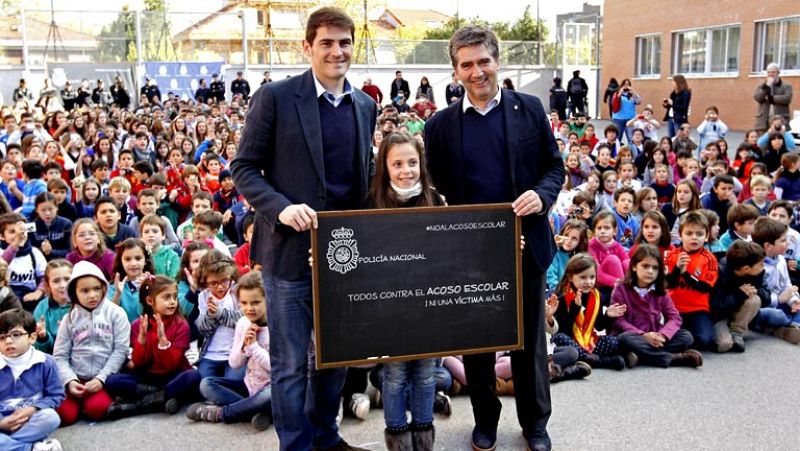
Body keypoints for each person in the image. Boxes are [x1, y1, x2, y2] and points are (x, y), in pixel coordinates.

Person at [231, 7, 378, 451]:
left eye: (345, 43)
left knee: (335, 357)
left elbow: (363, 180)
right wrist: (281, 208)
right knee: (291, 363)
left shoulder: (365, 105)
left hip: (343, 257)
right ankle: (295, 445)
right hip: (289, 253)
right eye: (327, 42)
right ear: (307, 47)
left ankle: (325, 437)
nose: (337, 51)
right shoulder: (276, 97)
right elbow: (244, 167)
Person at [423, 24, 564, 451]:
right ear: (455, 71)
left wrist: (541, 197)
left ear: (498, 61)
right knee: (477, 343)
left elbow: (554, 169)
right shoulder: (439, 126)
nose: (477, 71)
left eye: (483, 61)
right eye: (466, 64)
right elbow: (436, 190)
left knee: (528, 343)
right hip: (471, 254)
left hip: (525, 245)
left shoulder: (530, 109)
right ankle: (485, 420)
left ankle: (535, 423)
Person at [366, 132, 444, 450]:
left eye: (412, 162)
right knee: (395, 375)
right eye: (397, 164)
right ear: (384, 166)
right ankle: (397, 433)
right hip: (390, 308)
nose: (406, 170)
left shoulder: (435, 200)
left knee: (426, 373)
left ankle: (423, 431)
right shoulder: (371, 202)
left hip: (429, 305)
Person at [104, 275, 201, 419]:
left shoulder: (181, 325)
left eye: (175, 297)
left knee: (193, 376)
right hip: (148, 376)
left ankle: (134, 407)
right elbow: (137, 363)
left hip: (172, 374)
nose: (173, 302)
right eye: (167, 297)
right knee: (112, 381)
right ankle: (165, 398)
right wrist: (141, 342)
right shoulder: (138, 325)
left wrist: (163, 342)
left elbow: (171, 364)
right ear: (150, 301)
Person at [186, 271, 273, 430]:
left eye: (255, 302)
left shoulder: (276, 326)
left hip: (271, 388)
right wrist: (244, 347)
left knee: (269, 394)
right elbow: (234, 363)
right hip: (249, 386)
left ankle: (222, 413)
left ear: (268, 300)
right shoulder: (243, 323)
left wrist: (254, 348)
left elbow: (276, 369)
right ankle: (255, 411)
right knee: (207, 384)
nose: (249, 308)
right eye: (244, 303)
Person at [52, 260, 130, 426]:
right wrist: (70, 381)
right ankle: (77, 402)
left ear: (104, 288)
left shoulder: (116, 313)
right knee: (64, 415)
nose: (93, 295)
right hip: (76, 377)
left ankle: (93, 402)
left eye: (97, 288)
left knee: (98, 410)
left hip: (103, 378)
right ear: (74, 293)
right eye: (85, 291)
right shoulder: (69, 319)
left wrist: (101, 379)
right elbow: (60, 355)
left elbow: (120, 350)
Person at [610, 244, 702, 368]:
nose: (650, 271)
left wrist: (663, 335)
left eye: (655, 268)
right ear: (634, 266)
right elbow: (618, 321)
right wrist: (643, 336)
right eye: (645, 266)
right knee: (624, 338)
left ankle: (641, 356)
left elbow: (675, 317)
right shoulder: (621, 289)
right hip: (633, 336)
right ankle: (672, 358)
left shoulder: (660, 290)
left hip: (655, 336)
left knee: (686, 336)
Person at [0, 309, 65, 451]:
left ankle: (9, 446)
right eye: (2, 337)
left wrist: (32, 409)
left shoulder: (46, 362)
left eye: (16, 334)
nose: (8, 341)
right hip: (3, 422)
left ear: (32, 337)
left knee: (51, 417)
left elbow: (56, 396)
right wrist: (2, 423)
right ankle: (33, 448)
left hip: (32, 419)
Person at [551, 254, 627, 369]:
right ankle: (601, 361)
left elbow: (599, 327)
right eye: (583, 277)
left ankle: (587, 359)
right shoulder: (561, 296)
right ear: (570, 277)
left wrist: (608, 315)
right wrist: (575, 309)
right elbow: (561, 329)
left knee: (613, 341)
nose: (588, 282)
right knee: (560, 338)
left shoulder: (596, 296)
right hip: (569, 340)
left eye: (592, 277)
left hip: (588, 340)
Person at [665, 211, 719, 350]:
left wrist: (686, 274)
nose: (694, 237)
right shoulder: (672, 255)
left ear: (706, 236)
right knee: (666, 334)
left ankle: (685, 340)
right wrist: (677, 269)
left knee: (706, 340)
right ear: (680, 235)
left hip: (698, 309)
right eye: (689, 233)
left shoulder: (709, 259)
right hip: (674, 308)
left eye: (699, 234)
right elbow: (668, 284)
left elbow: (705, 287)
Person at [711, 241, 770, 353]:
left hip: (740, 314)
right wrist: (740, 294)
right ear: (746, 269)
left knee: (755, 300)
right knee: (724, 344)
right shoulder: (719, 272)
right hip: (718, 317)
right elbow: (716, 306)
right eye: (761, 264)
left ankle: (736, 332)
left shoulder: (757, 273)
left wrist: (756, 291)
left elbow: (767, 297)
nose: (763, 266)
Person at [32, 259, 73, 354]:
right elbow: (39, 349)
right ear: (47, 285)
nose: (63, 285)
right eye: (56, 281)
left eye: (67, 279)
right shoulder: (41, 308)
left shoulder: (82, 304)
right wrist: (43, 337)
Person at [754, 63, 793, 133]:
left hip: (780, 121)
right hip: (763, 122)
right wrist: (767, 86)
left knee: (779, 139)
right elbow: (758, 98)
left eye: (773, 72)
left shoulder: (786, 86)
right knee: (762, 139)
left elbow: (787, 98)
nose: (771, 74)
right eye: (769, 72)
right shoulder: (761, 86)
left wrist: (771, 99)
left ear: (778, 73)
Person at [611, 79, 640, 143]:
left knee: (631, 138)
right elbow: (613, 103)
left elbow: (639, 101)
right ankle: (616, 149)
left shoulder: (632, 94)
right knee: (618, 137)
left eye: (628, 84)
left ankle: (632, 149)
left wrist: (633, 93)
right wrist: (619, 94)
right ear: (621, 85)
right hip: (618, 118)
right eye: (624, 84)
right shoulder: (617, 93)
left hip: (630, 119)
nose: (626, 86)